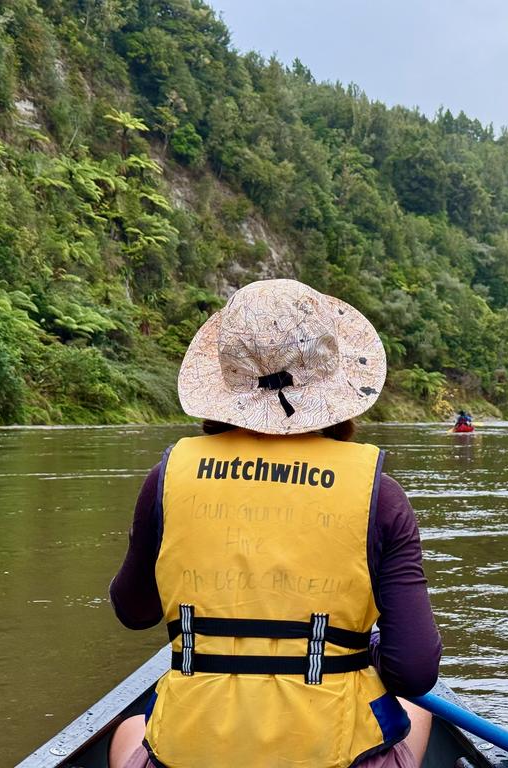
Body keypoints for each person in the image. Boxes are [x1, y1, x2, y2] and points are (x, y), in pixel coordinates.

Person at [107, 279, 442, 768]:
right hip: (337, 755)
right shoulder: (381, 496)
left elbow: (134, 611)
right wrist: (361, 648)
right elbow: (413, 671)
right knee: (418, 709)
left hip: (191, 754)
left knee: (129, 730)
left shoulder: (167, 477)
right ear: (334, 381)